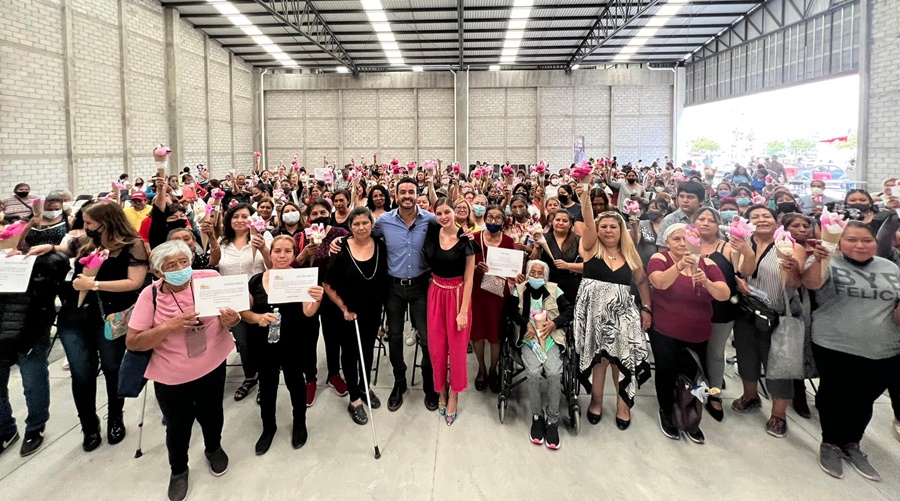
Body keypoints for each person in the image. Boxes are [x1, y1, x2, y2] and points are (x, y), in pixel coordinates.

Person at [28, 201, 149, 451]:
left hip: (109, 317)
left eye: (91, 223)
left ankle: (115, 417)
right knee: (81, 374)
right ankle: (88, 425)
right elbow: (64, 248)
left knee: (113, 368)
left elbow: (134, 282)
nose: (86, 227)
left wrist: (94, 285)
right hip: (75, 317)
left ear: (108, 221)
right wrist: (48, 246)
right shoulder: (85, 242)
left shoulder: (132, 245)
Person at [126, 240, 239, 501]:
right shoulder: (150, 295)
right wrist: (168, 327)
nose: (180, 269)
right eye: (171, 266)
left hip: (212, 365)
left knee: (212, 413)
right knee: (178, 424)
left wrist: (233, 319)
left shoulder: (209, 278)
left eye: (184, 262)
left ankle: (213, 448)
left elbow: (234, 312)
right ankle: (178, 469)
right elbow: (133, 341)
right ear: (158, 273)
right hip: (172, 375)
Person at [802, 221, 900, 480]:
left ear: (875, 242)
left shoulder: (889, 267)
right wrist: (819, 259)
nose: (859, 245)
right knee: (835, 396)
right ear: (840, 242)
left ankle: (853, 443)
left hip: (884, 347)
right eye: (852, 240)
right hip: (835, 344)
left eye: (866, 240)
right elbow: (811, 284)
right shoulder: (828, 260)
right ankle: (830, 443)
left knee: (865, 399)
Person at [574, 185, 652, 430]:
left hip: (623, 317)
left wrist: (646, 308)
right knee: (599, 363)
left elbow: (641, 282)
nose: (608, 230)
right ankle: (596, 402)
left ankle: (622, 405)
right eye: (603, 227)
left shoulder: (630, 255)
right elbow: (587, 224)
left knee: (621, 362)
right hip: (594, 316)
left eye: (613, 227)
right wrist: (585, 196)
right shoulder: (589, 249)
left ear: (622, 231)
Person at [242, 236, 324, 454]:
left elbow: (308, 312)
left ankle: (299, 423)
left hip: (293, 342)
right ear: (270, 253)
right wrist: (257, 318)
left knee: (296, 384)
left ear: (293, 254)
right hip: (264, 344)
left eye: (287, 251)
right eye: (277, 251)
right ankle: (268, 427)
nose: (282, 255)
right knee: (267, 387)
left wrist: (317, 298)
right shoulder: (256, 281)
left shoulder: (302, 279)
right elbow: (244, 312)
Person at [648, 223, 730, 442]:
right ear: (667, 242)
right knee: (666, 371)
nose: (683, 243)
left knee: (693, 375)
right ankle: (667, 411)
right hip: (665, 329)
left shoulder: (708, 263)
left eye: (688, 238)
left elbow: (724, 294)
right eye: (677, 239)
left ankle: (690, 415)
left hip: (697, 331)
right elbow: (659, 282)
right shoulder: (660, 260)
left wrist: (707, 282)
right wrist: (679, 266)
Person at [730, 205, 806, 438]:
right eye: (755, 217)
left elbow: (795, 283)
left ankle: (778, 414)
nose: (761, 219)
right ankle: (750, 395)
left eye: (766, 216)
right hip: (746, 311)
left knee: (779, 365)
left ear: (777, 221)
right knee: (746, 355)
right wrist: (736, 279)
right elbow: (732, 270)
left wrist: (791, 266)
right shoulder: (741, 243)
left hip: (778, 315)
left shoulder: (792, 246)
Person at [0, 251, 70, 457]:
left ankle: (35, 426)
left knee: (33, 382)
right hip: (3, 334)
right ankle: (5, 429)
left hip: (29, 333)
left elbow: (61, 264)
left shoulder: (42, 263)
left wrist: (45, 250)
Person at [324, 208, 389, 424]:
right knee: (350, 354)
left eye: (365, 223)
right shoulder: (341, 247)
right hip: (347, 312)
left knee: (368, 351)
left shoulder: (380, 246)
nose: (361, 227)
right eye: (356, 224)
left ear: (372, 224)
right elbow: (327, 284)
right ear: (350, 227)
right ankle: (354, 399)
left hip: (372, 309)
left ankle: (364, 387)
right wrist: (344, 308)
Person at [506, 260, 573, 450]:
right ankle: (537, 417)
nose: (536, 276)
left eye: (539, 273)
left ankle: (552, 420)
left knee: (553, 373)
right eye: (533, 273)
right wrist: (524, 322)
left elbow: (569, 310)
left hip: (550, 337)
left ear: (545, 276)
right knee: (534, 373)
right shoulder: (518, 289)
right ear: (527, 274)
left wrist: (555, 323)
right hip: (528, 339)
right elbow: (510, 310)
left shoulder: (554, 289)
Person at [424, 198, 476, 425]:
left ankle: (454, 393)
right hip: (435, 293)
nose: (443, 216)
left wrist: (463, 310)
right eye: (439, 213)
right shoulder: (431, 232)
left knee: (456, 349)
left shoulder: (466, 241)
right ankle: (441, 390)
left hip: (457, 295)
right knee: (436, 348)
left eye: (447, 212)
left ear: (456, 212)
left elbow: (470, 278)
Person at [295, 198, 350, 405]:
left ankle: (334, 373)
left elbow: (350, 257)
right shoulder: (301, 237)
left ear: (330, 212)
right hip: (308, 292)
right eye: (314, 214)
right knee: (308, 337)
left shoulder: (340, 233)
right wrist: (304, 254)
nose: (319, 217)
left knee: (333, 334)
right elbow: (291, 266)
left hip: (332, 292)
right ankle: (310, 378)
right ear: (308, 218)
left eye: (323, 212)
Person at [216, 203, 273, 402]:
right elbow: (215, 265)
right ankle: (250, 376)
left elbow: (274, 266)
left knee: (262, 340)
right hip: (232, 300)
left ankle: (265, 382)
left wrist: (264, 249)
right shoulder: (221, 243)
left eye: (245, 216)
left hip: (259, 297)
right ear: (229, 220)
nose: (240, 220)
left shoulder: (263, 236)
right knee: (243, 341)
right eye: (235, 216)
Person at [691, 207, 738, 421]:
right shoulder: (686, 245)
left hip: (721, 309)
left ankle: (715, 393)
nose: (706, 223)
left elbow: (742, 270)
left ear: (718, 225)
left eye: (711, 220)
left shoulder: (727, 248)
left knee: (716, 353)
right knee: (693, 351)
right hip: (691, 307)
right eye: (701, 219)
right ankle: (694, 390)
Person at [471, 205, 516, 393]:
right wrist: (475, 268)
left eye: (498, 218)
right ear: (484, 217)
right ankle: (481, 367)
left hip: (499, 293)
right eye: (490, 217)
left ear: (503, 221)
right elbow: (464, 266)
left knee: (496, 333)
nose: (493, 221)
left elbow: (513, 270)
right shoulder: (474, 239)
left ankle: (493, 369)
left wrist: (517, 276)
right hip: (477, 291)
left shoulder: (508, 241)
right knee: (478, 332)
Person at [538, 209, 583, 305]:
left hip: (572, 287)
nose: (560, 223)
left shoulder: (578, 240)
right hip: (549, 285)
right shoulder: (543, 238)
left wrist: (568, 266)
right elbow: (533, 261)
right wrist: (536, 247)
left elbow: (587, 266)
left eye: (565, 221)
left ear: (571, 224)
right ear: (552, 222)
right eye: (557, 220)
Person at [656, 181, 705, 250]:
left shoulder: (706, 220)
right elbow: (663, 251)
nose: (685, 200)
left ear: (702, 201)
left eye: (690, 197)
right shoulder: (670, 220)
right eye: (681, 196)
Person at [633, 199, 668, 270]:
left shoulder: (669, 227)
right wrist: (634, 228)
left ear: (664, 212)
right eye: (649, 208)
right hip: (643, 267)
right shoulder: (642, 224)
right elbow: (635, 242)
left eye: (654, 208)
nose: (650, 210)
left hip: (663, 267)